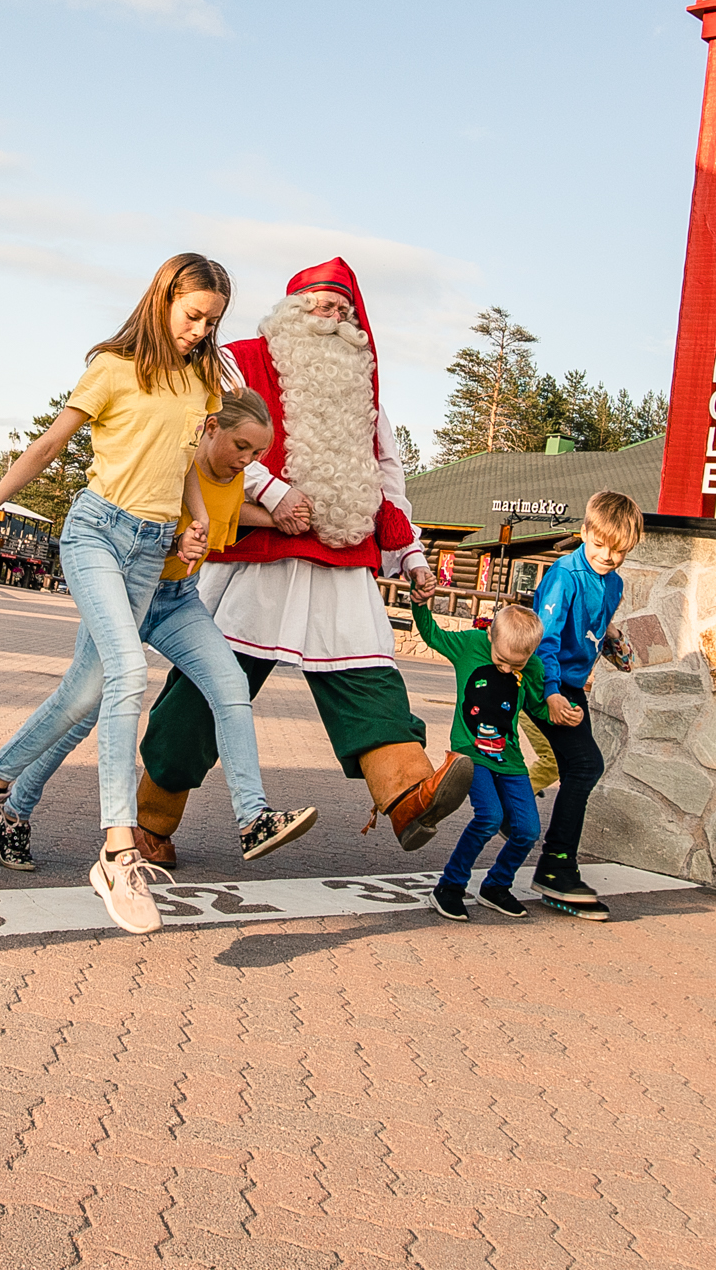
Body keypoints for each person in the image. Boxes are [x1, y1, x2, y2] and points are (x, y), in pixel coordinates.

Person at [133, 258, 468, 862]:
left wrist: (411, 549)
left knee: (369, 681)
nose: (331, 315)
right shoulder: (237, 359)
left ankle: (410, 795)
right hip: (260, 555)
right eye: (319, 301)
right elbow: (212, 433)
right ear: (290, 307)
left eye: (342, 308)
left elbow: (386, 473)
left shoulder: (363, 388)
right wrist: (270, 490)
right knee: (206, 691)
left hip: (342, 557)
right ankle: (152, 820)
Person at [0, 253, 235, 935]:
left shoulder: (204, 379)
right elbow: (48, 446)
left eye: (212, 322)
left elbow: (180, 467)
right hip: (95, 533)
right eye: (193, 315)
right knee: (125, 673)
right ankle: (118, 849)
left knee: (85, 696)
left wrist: (194, 519)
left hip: (151, 548)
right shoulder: (115, 368)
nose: (201, 331)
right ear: (164, 299)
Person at [0, 389, 315, 874]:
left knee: (231, 685)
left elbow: (228, 520)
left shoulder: (234, 480)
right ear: (209, 429)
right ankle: (14, 809)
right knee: (82, 712)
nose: (247, 462)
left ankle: (253, 817)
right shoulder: (172, 467)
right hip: (128, 592)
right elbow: (141, 526)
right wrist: (177, 539)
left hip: (177, 601)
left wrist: (275, 518)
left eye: (257, 454)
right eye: (241, 447)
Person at [528, 489, 640, 920]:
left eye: (618, 550)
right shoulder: (565, 575)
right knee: (584, 766)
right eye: (599, 546)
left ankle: (550, 856)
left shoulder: (614, 583)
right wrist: (552, 694)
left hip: (573, 685)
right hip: (545, 680)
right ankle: (555, 866)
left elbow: (597, 622)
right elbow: (545, 640)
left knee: (580, 767)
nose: (607, 557)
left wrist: (611, 638)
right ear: (583, 533)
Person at [413, 593, 558, 922]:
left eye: (516, 665)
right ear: (491, 636)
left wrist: (555, 709)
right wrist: (420, 604)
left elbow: (534, 706)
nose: (507, 668)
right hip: (470, 751)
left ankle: (496, 885)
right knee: (490, 817)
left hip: (510, 758)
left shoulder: (531, 665)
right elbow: (433, 635)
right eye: (501, 660)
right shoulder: (470, 645)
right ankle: (449, 886)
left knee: (527, 829)